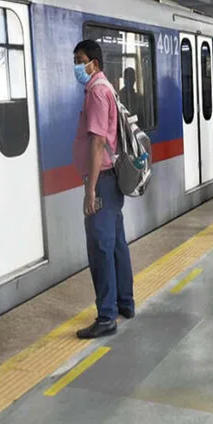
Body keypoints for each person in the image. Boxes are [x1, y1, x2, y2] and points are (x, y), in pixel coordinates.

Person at [72, 40, 135, 339]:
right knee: (117, 244)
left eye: (80, 60)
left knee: (100, 248)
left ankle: (107, 316)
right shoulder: (106, 87)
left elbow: (97, 142)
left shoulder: (96, 92)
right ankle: (125, 302)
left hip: (103, 179)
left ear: (93, 63)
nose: (77, 66)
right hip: (112, 179)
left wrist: (90, 190)